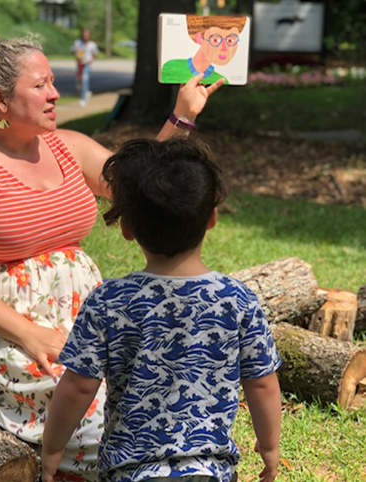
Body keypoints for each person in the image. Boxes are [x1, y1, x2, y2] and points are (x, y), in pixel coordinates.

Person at [0, 23, 224, 482]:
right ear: (0, 100)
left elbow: (144, 185)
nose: (55, 93)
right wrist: (30, 334)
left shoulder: (67, 146)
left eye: (52, 81)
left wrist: (183, 115)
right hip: (1, 327)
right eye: (40, 85)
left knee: (150, 385)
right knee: (92, 417)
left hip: (83, 313)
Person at [41, 138, 282, 482]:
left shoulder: (109, 300)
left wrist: (52, 449)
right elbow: (262, 385)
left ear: (127, 228)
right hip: (209, 472)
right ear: (212, 219)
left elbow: (78, 387)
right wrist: (269, 446)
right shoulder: (238, 299)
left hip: (131, 473)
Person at [161, 16, 247, 84]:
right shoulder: (171, 67)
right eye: (215, 40)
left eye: (230, 40)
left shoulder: (220, 80)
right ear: (199, 38)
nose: (224, 48)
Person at [72, 29, 98, 108]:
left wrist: (90, 61)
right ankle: (86, 92)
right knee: (79, 82)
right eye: (84, 35)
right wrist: (76, 53)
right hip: (79, 64)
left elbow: (95, 54)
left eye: (87, 35)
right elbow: (73, 51)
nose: (85, 36)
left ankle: (83, 99)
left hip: (87, 65)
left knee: (85, 80)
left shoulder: (92, 45)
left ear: (89, 36)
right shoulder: (78, 43)